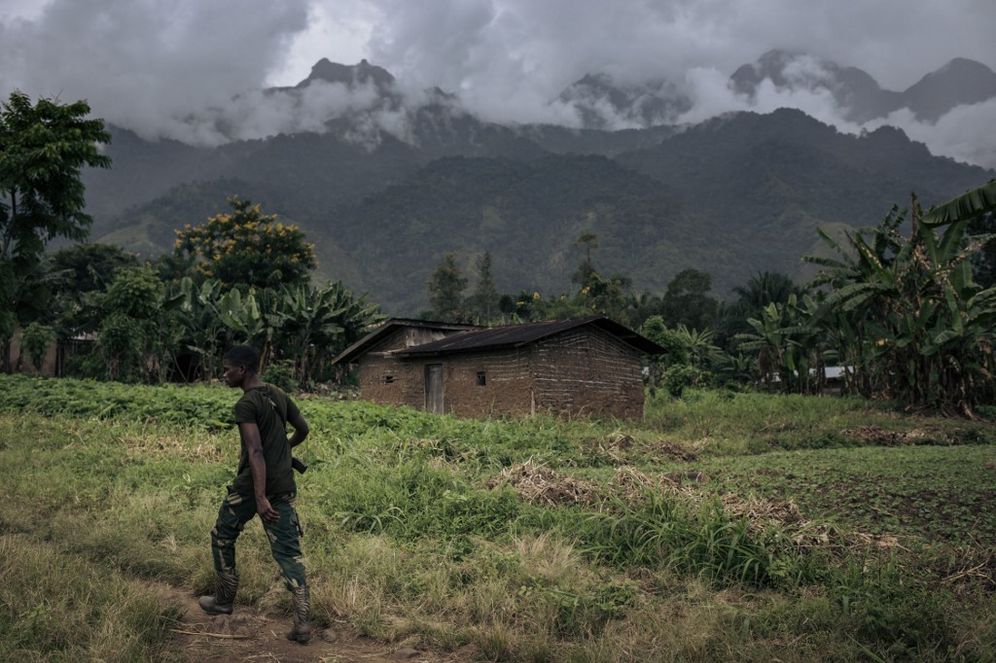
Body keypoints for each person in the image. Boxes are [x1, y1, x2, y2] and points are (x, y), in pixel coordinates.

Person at [198, 345, 312, 644]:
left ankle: (224, 599)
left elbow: (255, 451)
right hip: (284, 484)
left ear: (243, 370)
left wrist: (260, 497)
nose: (224, 375)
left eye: (227, 370)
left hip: (253, 487)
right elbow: (303, 429)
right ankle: (302, 624)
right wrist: (286, 448)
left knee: (222, 534)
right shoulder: (277, 393)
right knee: (289, 553)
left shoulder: (247, 404)